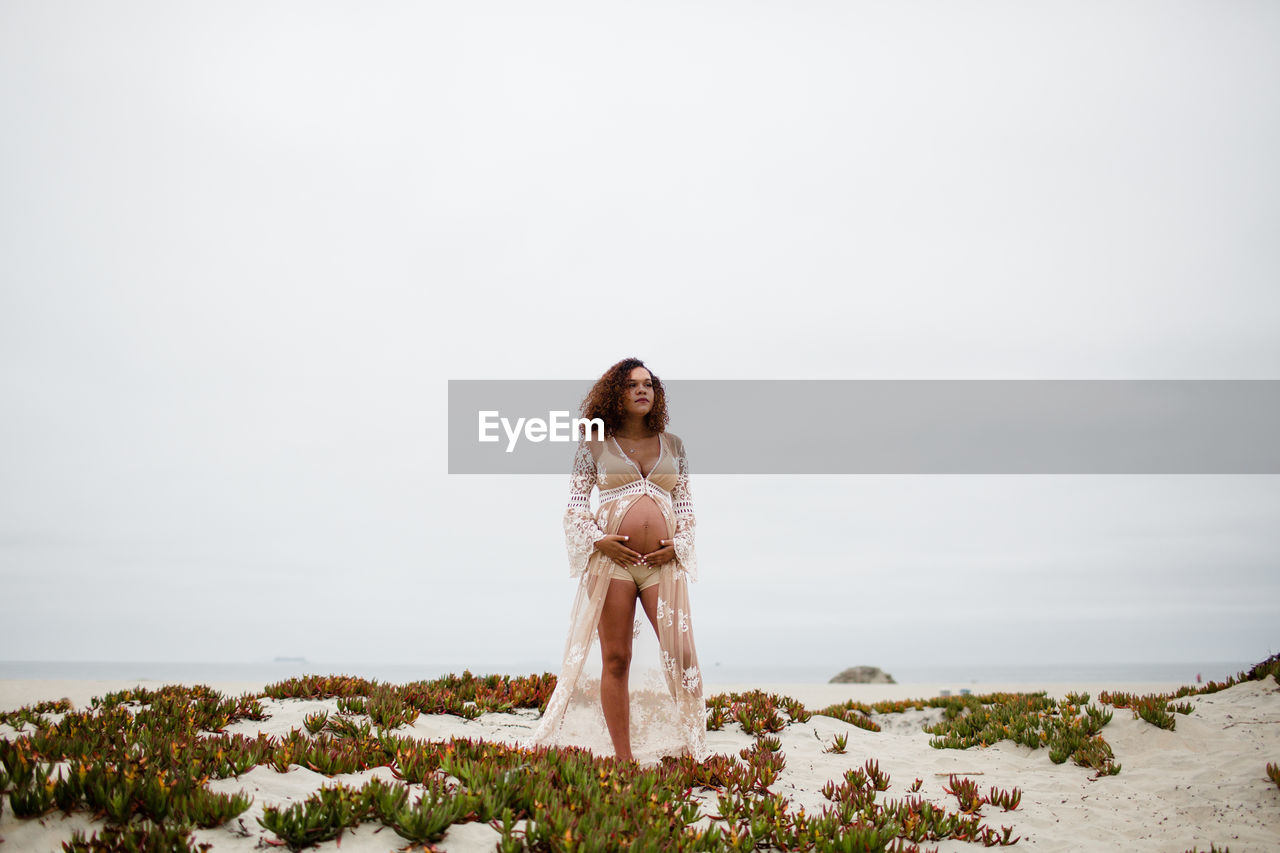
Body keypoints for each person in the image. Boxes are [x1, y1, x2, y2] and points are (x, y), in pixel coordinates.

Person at [522, 357, 709, 765]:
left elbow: (688, 508)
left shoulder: (674, 445)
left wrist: (678, 545)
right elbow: (574, 507)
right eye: (631, 385)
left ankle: (696, 748)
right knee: (617, 657)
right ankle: (623, 758)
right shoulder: (593, 441)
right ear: (616, 394)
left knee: (683, 655)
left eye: (648, 384)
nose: (642, 390)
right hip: (613, 564)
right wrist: (598, 541)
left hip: (663, 563)